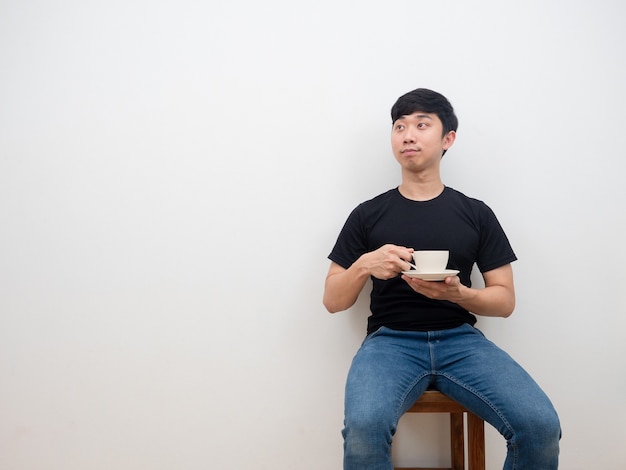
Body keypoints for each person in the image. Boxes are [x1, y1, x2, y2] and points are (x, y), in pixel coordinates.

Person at [323, 88, 560, 470]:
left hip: (461, 341)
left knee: (540, 426)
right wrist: (365, 264)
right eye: (399, 126)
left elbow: (504, 301)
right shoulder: (367, 215)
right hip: (390, 342)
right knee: (364, 429)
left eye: (421, 124)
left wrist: (460, 295)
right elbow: (333, 300)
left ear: (447, 138)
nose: (408, 135)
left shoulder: (476, 213)